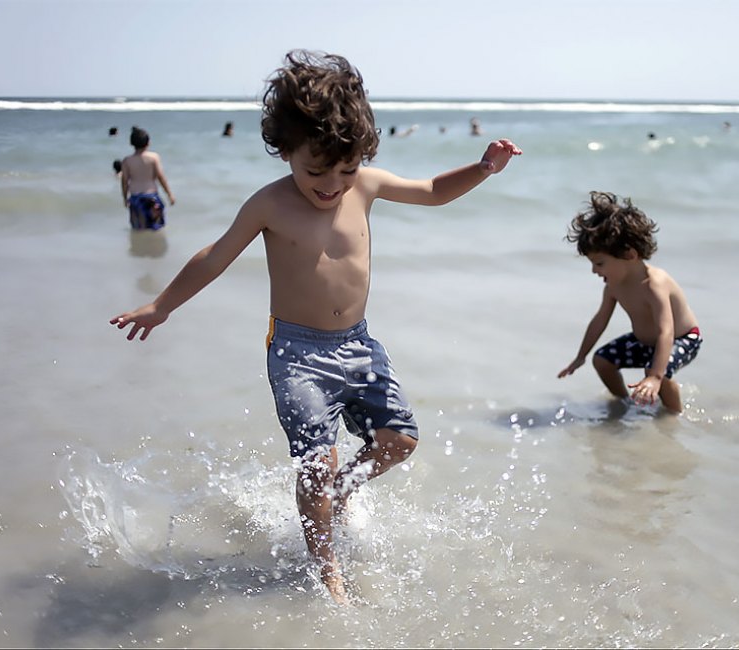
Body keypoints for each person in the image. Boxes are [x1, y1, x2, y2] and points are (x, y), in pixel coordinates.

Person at [110, 50, 521, 603]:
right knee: (314, 466)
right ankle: (326, 567)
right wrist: (161, 306)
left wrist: (483, 167)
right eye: (315, 170)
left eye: (345, 169)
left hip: (359, 344)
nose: (332, 184)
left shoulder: (366, 185)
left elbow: (431, 191)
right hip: (298, 355)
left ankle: (342, 492)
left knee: (399, 441)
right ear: (286, 152)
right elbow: (214, 257)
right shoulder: (270, 204)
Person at [557, 192, 702, 414]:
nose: (594, 270)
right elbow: (599, 321)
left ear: (629, 255)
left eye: (600, 263)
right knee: (603, 360)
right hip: (645, 341)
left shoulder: (654, 284)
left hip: (682, 338)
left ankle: (673, 415)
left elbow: (666, 331)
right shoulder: (613, 287)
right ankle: (626, 402)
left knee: (654, 370)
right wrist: (581, 356)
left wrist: (654, 376)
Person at [121, 126, 175, 230]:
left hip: (135, 198)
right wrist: (169, 194)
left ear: (131, 143)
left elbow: (124, 182)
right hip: (152, 198)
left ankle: (139, 246)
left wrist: (124, 198)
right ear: (148, 142)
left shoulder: (127, 161)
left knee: (138, 229)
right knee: (156, 228)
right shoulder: (153, 157)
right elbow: (161, 177)